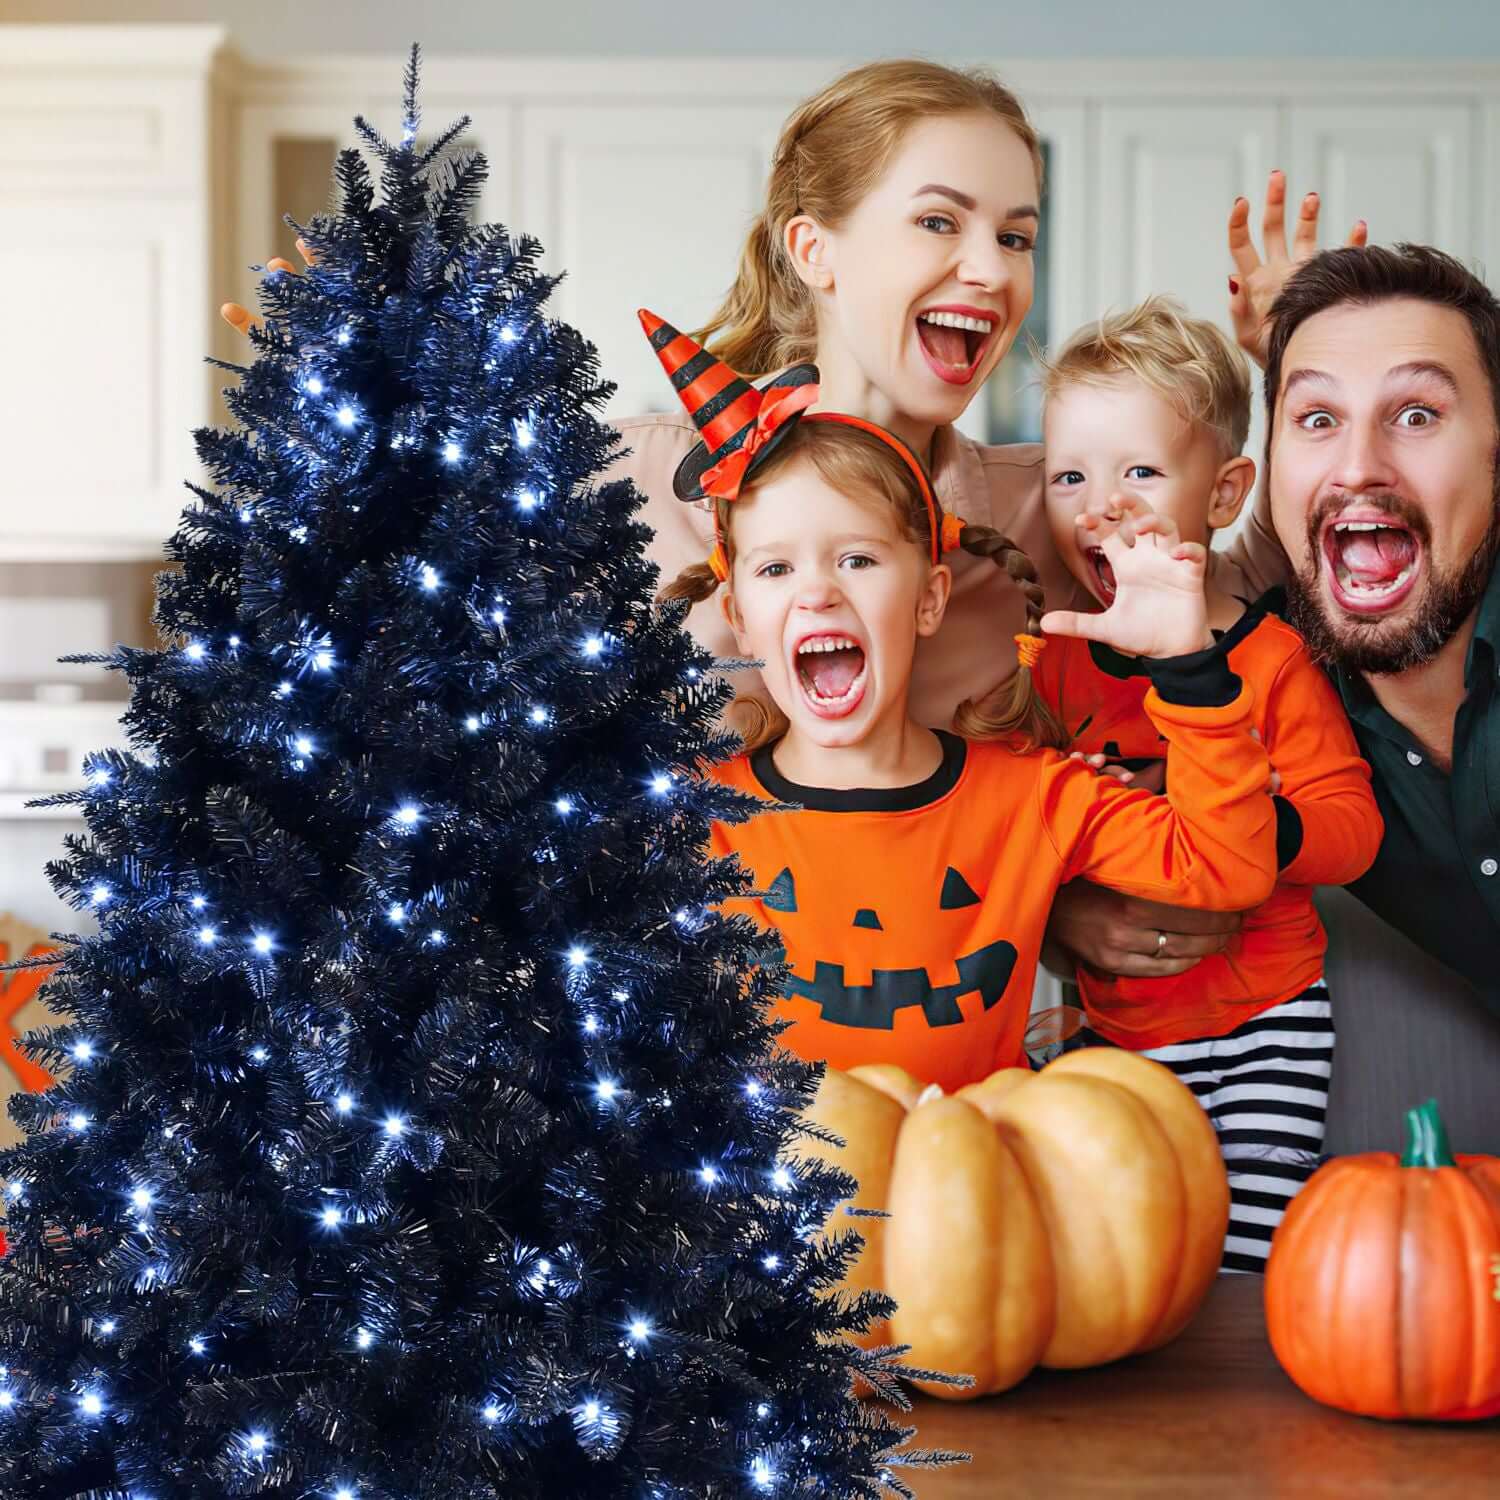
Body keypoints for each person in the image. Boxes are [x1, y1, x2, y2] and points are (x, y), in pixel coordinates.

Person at [648, 313, 1280, 1093]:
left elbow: (1230, 869)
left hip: (980, 1157)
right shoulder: (696, 816)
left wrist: (1190, 668)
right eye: (776, 570)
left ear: (930, 599)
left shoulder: (1031, 796)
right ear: (740, 615)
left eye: (857, 559)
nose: (817, 593)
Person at [1034, 297, 1383, 1267]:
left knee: (1243, 1260)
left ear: (1225, 495)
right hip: (1119, 1025)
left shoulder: (1272, 661)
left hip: (1266, 1017)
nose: (1100, 505)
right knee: (1114, 1258)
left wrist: (1230, 812)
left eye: (1140, 472)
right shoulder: (1054, 664)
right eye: (1069, 475)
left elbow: (1353, 832)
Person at [1248, 243, 1500, 1016]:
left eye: (1417, 415)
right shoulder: (1250, 688)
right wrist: (1073, 912)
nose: (1358, 466)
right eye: (1317, 418)